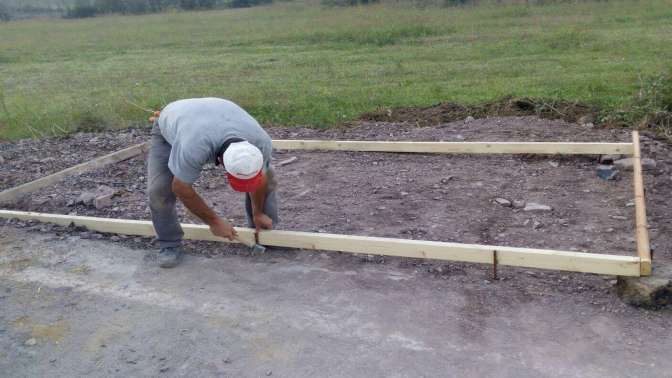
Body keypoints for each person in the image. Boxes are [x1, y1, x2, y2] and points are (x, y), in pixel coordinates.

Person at [147, 97, 278, 268]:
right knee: (158, 190)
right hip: (172, 122)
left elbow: (262, 179)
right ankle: (168, 243)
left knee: (269, 179)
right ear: (221, 161)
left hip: (214, 114)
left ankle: (264, 233)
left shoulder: (261, 143)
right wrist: (214, 222)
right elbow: (181, 188)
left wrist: (258, 212)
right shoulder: (194, 148)